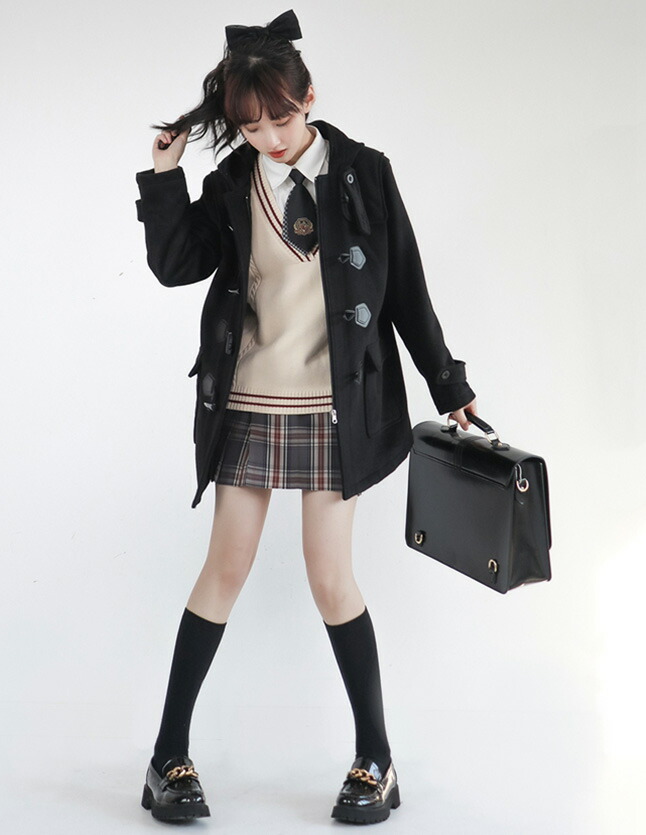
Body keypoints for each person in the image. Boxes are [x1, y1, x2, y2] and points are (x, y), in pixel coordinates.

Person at [134, 8, 477, 826]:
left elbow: (406, 287)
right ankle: (166, 757)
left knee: (330, 578)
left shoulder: (365, 173)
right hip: (249, 400)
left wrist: (447, 382)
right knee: (224, 569)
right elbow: (175, 265)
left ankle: (376, 759)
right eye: (252, 127)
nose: (271, 139)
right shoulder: (232, 182)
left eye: (281, 120)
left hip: (336, 406)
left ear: (309, 96)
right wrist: (163, 176)